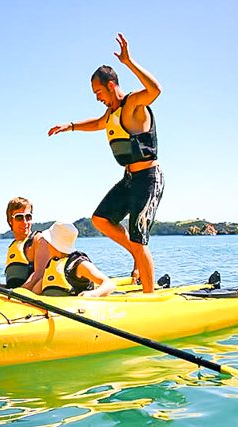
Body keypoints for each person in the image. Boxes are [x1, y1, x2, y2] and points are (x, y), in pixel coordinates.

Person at [48, 33, 164, 293]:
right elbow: (98, 123)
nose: (97, 97)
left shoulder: (133, 104)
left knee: (139, 238)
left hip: (148, 179)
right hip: (129, 180)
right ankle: (136, 254)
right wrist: (71, 126)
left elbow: (156, 90)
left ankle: (149, 294)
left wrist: (129, 62)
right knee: (100, 219)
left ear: (111, 85)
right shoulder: (110, 113)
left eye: (99, 91)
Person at [32, 222, 115, 297]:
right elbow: (35, 291)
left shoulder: (79, 264)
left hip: (79, 310)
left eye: (47, 241)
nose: (46, 244)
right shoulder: (52, 264)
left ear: (53, 244)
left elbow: (109, 284)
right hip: (53, 311)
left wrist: (94, 294)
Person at [4, 197, 50, 290]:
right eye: (19, 217)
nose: (25, 222)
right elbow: (11, 285)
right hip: (13, 295)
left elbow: (39, 275)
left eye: (28, 217)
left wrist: (15, 294)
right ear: (10, 220)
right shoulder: (12, 246)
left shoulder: (38, 240)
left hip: (27, 298)